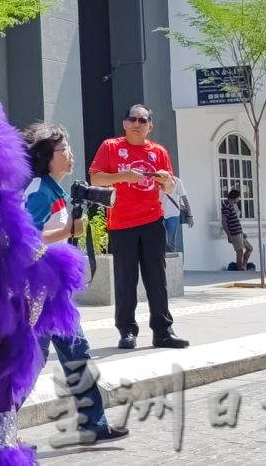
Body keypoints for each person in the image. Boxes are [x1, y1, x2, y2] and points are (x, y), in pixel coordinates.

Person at [23, 123, 129, 445]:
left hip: (55, 293)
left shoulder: (53, 190)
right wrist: (68, 231)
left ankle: (94, 424)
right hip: (39, 295)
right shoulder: (39, 192)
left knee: (76, 354)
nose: (70, 155)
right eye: (63, 150)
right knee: (29, 365)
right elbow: (24, 239)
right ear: (46, 157)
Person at [89, 104, 189, 350]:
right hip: (122, 222)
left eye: (142, 120)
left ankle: (163, 331)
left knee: (157, 278)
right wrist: (123, 177)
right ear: (124, 124)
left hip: (153, 221)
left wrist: (166, 181)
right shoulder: (111, 147)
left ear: (150, 126)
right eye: (132, 119)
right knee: (126, 279)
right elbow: (95, 177)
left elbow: (167, 188)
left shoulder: (158, 152)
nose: (137, 123)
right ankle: (127, 331)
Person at [221, 189, 253, 271]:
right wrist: (229, 235)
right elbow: (224, 221)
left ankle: (243, 265)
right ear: (234, 197)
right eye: (238, 198)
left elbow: (235, 221)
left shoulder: (233, 206)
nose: (238, 200)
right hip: (234, 233)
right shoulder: (226, 206)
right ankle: (240, 269)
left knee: (249, 248)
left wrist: (242, 233)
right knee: (239, 251)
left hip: (239, 232)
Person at [161, 176, 192, 254]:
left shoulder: (177, 181)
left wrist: (190, 216)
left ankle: (171, 264)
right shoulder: (156, 180)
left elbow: (185, 199)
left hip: (173, 215)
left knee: (171, 242)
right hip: (159, 215)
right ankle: (161, 263)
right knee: (160, 241)